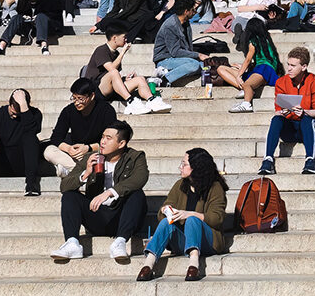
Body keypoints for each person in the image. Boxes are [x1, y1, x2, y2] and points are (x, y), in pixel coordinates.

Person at [54, 119, 149, 262]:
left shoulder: (135, 157)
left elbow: (140, 178)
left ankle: (120, 242)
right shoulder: (90, 158)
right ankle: (72, 243)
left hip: (122, 216)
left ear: (121, 143)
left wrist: (109, 192)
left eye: (108, 138)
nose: (103, 142)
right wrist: (85, 173)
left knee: (137, 194)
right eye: (102, 137)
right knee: (70, 196)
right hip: (97, 215)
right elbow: (64, 186)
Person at [139, 146, 228, 281]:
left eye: (184, 164)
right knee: (165, 222)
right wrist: (165, 210)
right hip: (183, 240)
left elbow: (217, 218)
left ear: (196, 167)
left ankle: (194, 265)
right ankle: (148, 264)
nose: (180, 167)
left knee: (192, 220)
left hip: (208, 241)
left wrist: (191, 214)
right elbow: (162, 213)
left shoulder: (215, 187)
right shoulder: (180, 185)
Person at [259, 47, 315, 177]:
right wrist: (283, 112)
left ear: (304, 67)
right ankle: (267, 159)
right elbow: (277, 111)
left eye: (293, 65)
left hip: (308, 126)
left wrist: (303, 112)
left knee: (308, 119)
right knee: (276, 120)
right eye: (288, 64)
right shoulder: (281, 82)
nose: (289, 68)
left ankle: (311, 160)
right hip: (290, 126)